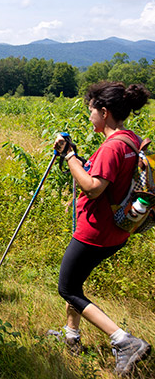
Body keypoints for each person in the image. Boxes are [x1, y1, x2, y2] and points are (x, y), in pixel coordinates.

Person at [51, 81, 151, 375]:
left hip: (96, 231)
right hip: (118, 229)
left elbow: (93, 188)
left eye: (91, 110)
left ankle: (123, 340)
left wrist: (69, 156)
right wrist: (79, 160)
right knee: (77, 281)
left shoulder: (112, 147)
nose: (89, 115)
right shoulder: (130, 140)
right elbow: (108, 178)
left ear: (104, 112)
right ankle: (71, 336)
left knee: (68, 288)